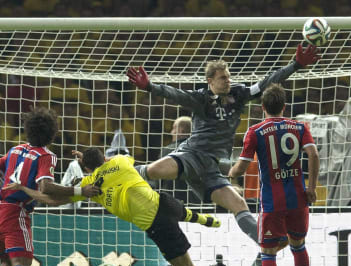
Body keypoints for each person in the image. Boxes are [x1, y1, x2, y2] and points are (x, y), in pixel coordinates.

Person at [6, 147, 245, 266]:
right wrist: (89, 160)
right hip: (163, 203)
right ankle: (209, 221)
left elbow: (52, 199)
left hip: (156, 225)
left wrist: (25, 189)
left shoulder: (90, 185)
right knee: (181, 211)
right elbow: (106, 162)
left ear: (87, 168)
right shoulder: (121, 160)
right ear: (103, 157)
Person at [127, 44, 320, 247]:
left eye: (228, 76)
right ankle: (111, 174)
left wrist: (296, 65)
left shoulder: (239, 95)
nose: (228, 80)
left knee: (238, 203)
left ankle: (265, 245)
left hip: (211, 167)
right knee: (153, 170)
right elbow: (175, 94)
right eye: (223, 78)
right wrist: (150, 87)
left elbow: (267, 82)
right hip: (192, 155)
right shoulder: (200, 98)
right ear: (210, 81)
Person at [0, 107, 100, 266]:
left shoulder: (14, 150)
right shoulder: (46, 155)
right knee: (23, 264)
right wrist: (77, 192)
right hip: (15, 212)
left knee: (5, 262)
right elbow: (45, 186)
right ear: (52, 134)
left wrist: (2, 194)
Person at [227, 84, 320, 266]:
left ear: (262, 107)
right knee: (298, 246)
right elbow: (314, 154)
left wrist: (230, 173)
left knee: (268, 253)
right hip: (299, 199)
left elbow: (242, 166)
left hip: (271, 202)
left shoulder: (255, 131)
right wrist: (311, 186)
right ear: (285, 106)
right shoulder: (300, 127)